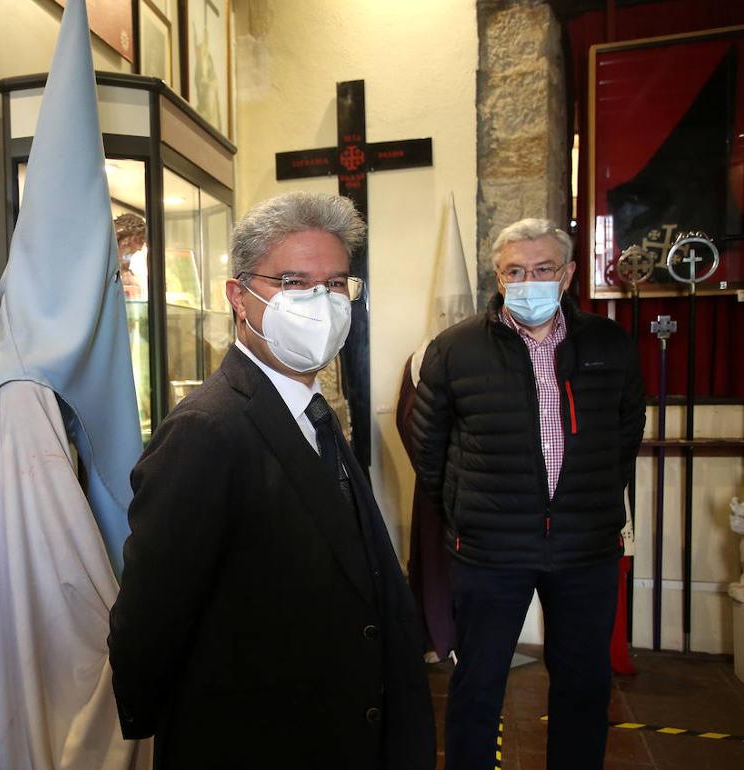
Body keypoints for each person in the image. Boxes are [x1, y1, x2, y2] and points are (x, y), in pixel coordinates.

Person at [108, 191, 435, 770]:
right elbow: (149, 622)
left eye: (336, 284)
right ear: (239, 296)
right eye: (293, 281)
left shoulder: (311, 407)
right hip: (255, 739)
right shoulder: (207, 431)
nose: (321, 302)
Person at [411, 218, 645, 770]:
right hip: (490, 551)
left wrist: (591, 504)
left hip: (585, 548)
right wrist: (467, 511)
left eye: (542, 269)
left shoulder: (609, 344)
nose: (529, 280)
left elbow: (625, 433)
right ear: (498, 276)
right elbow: (429, 446)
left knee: (584, 686)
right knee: (477, 684)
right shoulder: (455, 348)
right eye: (515, 270)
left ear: (566, 275)